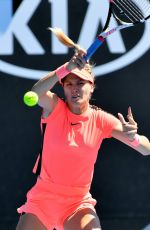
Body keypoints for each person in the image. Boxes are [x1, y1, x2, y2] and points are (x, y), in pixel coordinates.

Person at [16, 28, 150, 230]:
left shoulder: (101, 120)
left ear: (92, 86)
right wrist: (66, 67)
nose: (74, 88)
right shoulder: (54, 107)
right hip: (42, 200)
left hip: (77, 204)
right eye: (68, 84)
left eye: (80, 83)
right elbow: (36, 92)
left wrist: (133, 138)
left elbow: (146, 149)